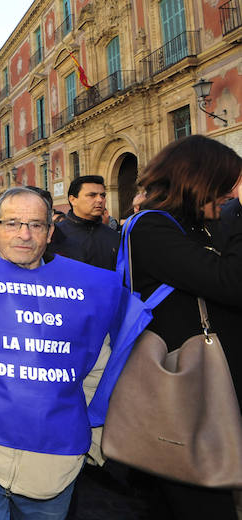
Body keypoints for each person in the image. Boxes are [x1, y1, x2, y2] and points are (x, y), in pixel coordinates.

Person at [0, 186, 130, 520]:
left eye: (35, 225)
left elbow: (97, 369)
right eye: (12, 223)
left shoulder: (82, 291)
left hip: (55, 461)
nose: (24, 234)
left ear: (50, 233)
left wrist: (87, 434)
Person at [124, 135, 242, 519]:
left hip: (217, 388)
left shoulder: (202, 226)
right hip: (184, 396)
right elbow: (231, 282)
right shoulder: (152, 227)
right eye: (225, 185)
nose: (229, 194)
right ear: (197, 181)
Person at [59, 175, 119, 270]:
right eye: (92, 195)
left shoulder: (114, 236)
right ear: (73, 199)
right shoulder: (56, 235)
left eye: (102, 195)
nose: (100, 200)